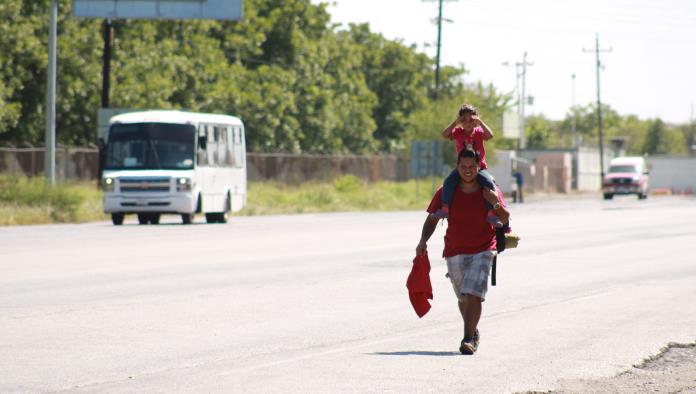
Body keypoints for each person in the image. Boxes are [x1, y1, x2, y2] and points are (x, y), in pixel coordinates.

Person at [416, 149, 510, 355]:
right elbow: (432, 218)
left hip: (484, 248)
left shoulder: (489, 190)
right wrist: (423, 241)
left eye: (472, 167)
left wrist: (494, 201)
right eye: (463, 167)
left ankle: (468, 339)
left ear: (479, 167)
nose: (468, 171)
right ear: (457, 167)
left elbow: (504, 218)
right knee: (463, 297)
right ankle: (473, 330)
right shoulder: (446, 192)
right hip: (454, 250)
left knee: (474, 293)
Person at [435, 104, 498, 223]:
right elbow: (444, 134)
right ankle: (445, 208)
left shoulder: (479, 132)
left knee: (489, 183)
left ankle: (490, 213)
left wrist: (480, 122)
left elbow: (490, 135)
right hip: (462, 168)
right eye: (464, 120)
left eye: (471, 120)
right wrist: (455, 123)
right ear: (460, 121)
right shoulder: (458, 132)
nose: (468, 123)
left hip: (479, 168)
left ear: (475, 120)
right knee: (448, 182)